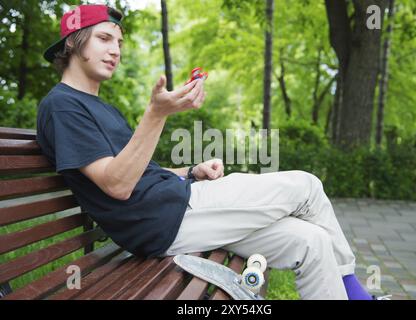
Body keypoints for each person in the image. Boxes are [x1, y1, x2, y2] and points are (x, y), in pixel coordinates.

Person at [37, 4, 383, 300]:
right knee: (306, 186)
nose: (116, 50)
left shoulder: (97, 106)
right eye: (104, 38)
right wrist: (157, 113)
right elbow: (117, 185)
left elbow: (136, 171)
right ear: (73, 42)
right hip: (166, 220)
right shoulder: (62, 107)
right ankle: (357, 293)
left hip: (181, 206)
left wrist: (191, 171)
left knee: (313, 242)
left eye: (119, 42)